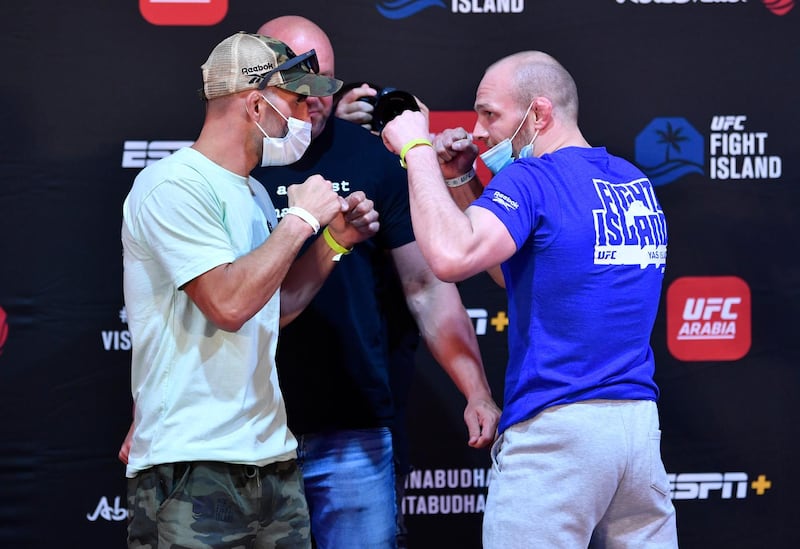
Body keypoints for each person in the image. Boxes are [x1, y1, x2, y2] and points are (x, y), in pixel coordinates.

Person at [381, 51, 678, 548]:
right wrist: (460, 179)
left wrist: (416, 150)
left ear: (538, 114)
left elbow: (453, 256)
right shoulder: (632, 181)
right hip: (637, 434)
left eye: (490, 114)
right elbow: (517, 269)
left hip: (558, 433)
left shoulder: (534, 179)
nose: (478, 132)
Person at [121, 31, 379, 549]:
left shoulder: (254, 191)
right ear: (256, 104)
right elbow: (229, 304)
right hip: (192, 465)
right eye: (296, 100)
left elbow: (272, 309)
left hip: (271, 461)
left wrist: (333, 241)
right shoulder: (173, 185)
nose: (307, 115)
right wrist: (302, 219)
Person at [253, 15, 501, 549]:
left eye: (327, 81)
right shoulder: (231, 163)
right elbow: (186, 304)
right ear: (260, 77)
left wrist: (477, 390)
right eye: (299, 80)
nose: (315, 96)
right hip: (243, 426)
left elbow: (427, 287)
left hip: (352, 425)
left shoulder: (372, 160)